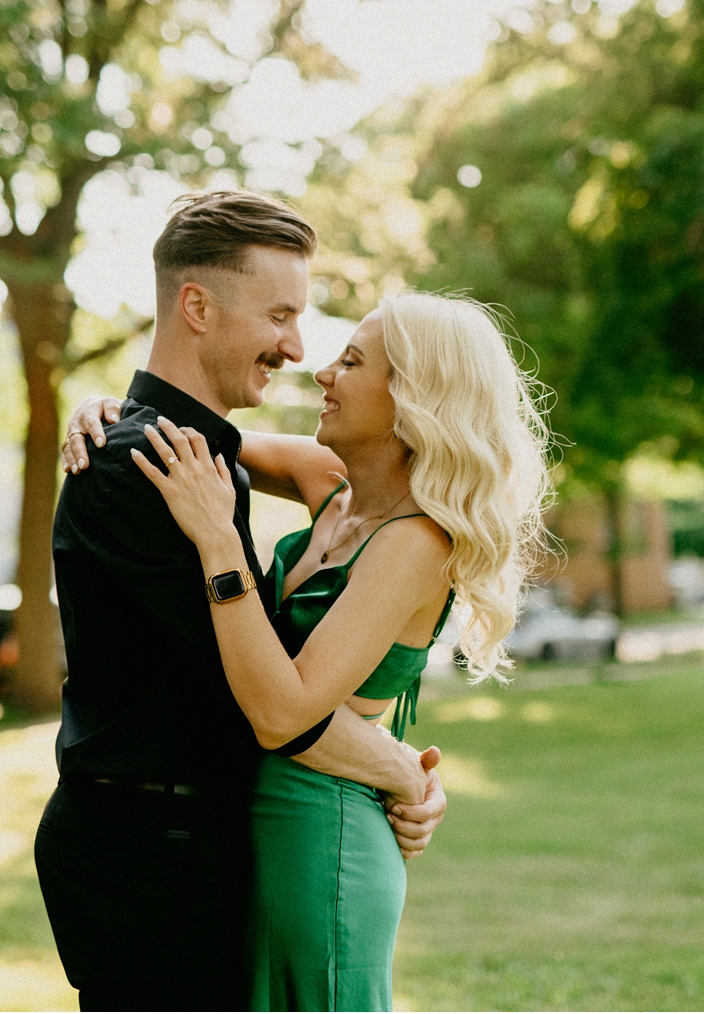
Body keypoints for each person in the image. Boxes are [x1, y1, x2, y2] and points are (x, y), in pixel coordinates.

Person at [65, 291, 552, 1010]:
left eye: (351, 361)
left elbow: (282, 711)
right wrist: (106, 410)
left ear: (412, 397)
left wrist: (220, 543)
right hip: (248, 828)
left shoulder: (416, 542)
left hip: (321, 840)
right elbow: (182, 434)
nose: (322, 371)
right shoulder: (329, 485)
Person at [34, 192, 449, 1013]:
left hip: (203, 838)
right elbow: (255, 703)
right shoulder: (141, 471)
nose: (300, 349)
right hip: (149, 854)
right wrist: (398, 769)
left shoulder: (202, 456)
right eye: (280, 315)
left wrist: (114, 402)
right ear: (197, 306)